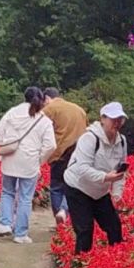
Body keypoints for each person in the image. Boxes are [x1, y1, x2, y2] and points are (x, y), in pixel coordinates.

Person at [0, 87, 56, 243]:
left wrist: (9, 143)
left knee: (7, 192)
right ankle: (20, 234)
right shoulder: (44, 120)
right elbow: (51, 146)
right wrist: (39, 160)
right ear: (41, 100)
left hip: (9, 160)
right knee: (25, 198)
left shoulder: (12, 112)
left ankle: (5, 224)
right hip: (30, 162)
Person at [64, 102, 129, 253]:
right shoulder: (90, 138)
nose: (117, 123)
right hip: (78, 188)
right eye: (113, 119)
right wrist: (106, 177)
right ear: (103, 119)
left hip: (100, 191)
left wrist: (117, 193)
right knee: (85, 230)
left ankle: (116, 259)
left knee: (114, 226)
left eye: (120, 119)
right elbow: (82, 168)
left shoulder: (122, 141)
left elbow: (121, 170)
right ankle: (80, 266)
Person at [41, 88, 88, 218]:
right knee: (73, 185)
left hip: (59, 153)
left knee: (56, 187)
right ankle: (65, 211)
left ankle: (60, 214)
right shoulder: (79, 110)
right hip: (78, 153)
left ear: (47, 99)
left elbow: (38, 128)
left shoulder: (50, 109)